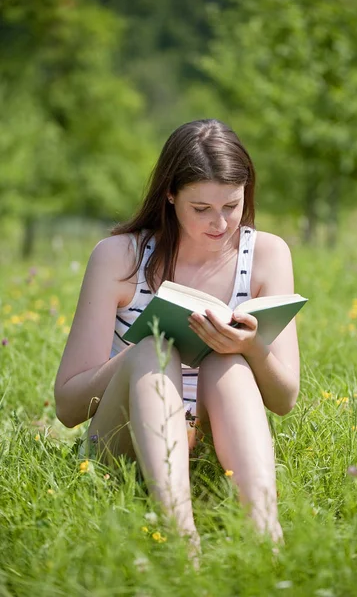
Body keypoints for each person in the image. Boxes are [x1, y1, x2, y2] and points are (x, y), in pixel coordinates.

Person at [54, 118, 300, 557]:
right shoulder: (119, 257)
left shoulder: (267, 254)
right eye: (201, 208)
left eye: (232, 205)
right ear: (170, 195)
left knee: (227, 360)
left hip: (212, 442)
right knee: (154, 348)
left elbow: (284, 400)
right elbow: (70, 407)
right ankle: (180, 539)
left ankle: (264, 534)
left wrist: (249, 348)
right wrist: (140, 352)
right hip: (123, 445)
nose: (220, 223)